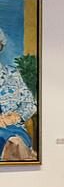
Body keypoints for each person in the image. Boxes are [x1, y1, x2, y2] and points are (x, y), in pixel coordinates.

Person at [0, 27, 36, 161]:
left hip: (13, 128)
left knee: (15, 143)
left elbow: (30, 103)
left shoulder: (13, 74)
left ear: (0, 46)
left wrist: (15, 117)